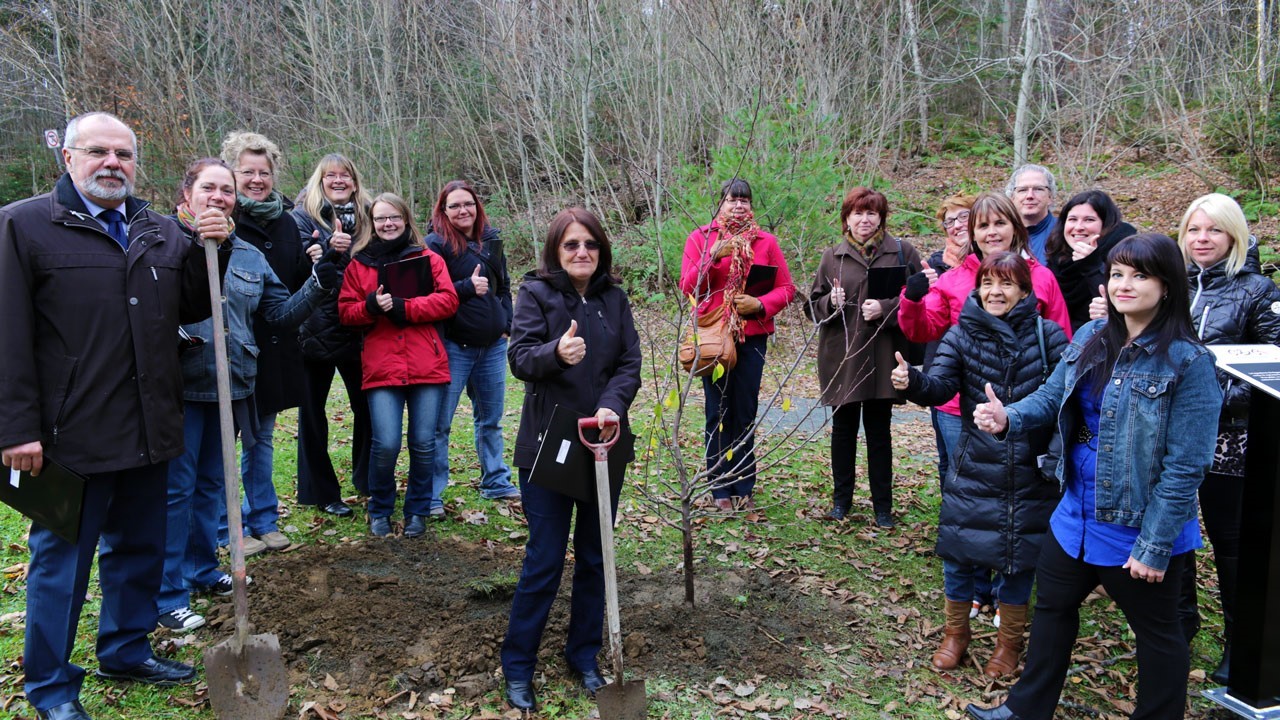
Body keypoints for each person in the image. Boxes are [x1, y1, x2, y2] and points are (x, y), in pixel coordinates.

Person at [0, 112, 226, 720]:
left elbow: (194, 305)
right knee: (61, 566)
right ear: (68, 158)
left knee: (140, 550)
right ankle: (50, 688)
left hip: (149, 424)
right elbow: (7, 334)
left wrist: (216, 247)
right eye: (98, 151)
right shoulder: (23, 226)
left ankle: (125, 650)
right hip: (65, 435)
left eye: (123, 155)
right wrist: (15, 429)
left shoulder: (156, 229)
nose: (112, 164)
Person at [966, 233, 1222, 720]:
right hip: (1075, 513)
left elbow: (1187, 466)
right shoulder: (1090, 337)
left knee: (1158, 634)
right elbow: (1050, 396)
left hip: (1138, 524)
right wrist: (1008, 417)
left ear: (1167, 285)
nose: (1124, 285)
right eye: (1118, 274)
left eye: (1140, 275)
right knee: (1052, 610)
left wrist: (1154, 545)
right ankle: (1026, 710)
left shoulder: (1189, 362)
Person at [158, 158, 329, 632]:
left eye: (227, 190)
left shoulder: (249, 253)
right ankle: (168, 592)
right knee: (177, 491)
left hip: (233, 387)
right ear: (187, 192)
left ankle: (201, 569)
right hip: (182, 389)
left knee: (214, 485)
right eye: (209, 188)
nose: (219, 197)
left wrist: (319, 284)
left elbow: (278, 315)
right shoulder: (162, 243)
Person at [892, 252, 1068, 676]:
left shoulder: (1049, 336)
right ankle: (956, 634)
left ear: (1025, 290)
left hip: (1028, 467)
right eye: (988, 283)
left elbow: (1063, 400)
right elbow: (942, 387)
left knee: (1018, 558)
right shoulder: (961, 334)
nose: (995, 292)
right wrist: (913, 381)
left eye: (1006, 284)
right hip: (974, 461)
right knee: (958, 552)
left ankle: (1008, 645)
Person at [501, 208, 642, 712]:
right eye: (571, 245)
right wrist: (556, 354)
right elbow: (520, 358)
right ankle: (518, 665)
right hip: (549, 443)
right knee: (543, 559)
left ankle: (583, 655)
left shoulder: (615, 299)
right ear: (556, 251)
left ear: (601, 250)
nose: (582, 252)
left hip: (604, 441)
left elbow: (630, 362)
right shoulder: (535, 294)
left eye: (590, 245)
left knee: (596, 554)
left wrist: (613, 404)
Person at [1174, 193, 1280, 683]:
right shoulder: (1173, 285)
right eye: (1194, 230)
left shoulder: (1259, 291)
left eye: (1213, 230)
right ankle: (1180, 623)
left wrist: (1208, 402)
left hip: (1230, 436)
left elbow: (1271, 365)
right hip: (1171, 430)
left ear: (1233, 235)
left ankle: (1241, 644)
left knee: (1230, 542)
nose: (1202, 239)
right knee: (1175, 529)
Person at [338, 193, 458, 537]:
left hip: (426, 363)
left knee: (423, 442)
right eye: (380, 219)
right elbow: (345, 311)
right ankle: (380, 510)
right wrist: (370, 307)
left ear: (406, 220)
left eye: (394, 218)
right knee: (386, 443)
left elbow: (448, 301)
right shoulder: (359, 264)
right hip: (381, 366)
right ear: (371, 224)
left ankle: (417, 511)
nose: (387, 224)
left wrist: (406, 308)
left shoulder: (429, 258)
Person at [219, 130, 316, 553]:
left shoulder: (287, 222)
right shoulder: (219, 218)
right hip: (230, 347)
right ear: (231, 173)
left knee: (261, 439)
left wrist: (314, 265)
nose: (257, 179)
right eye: (248, 171)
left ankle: (263, 518)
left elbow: (290, 289)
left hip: (274, 348)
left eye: (265, 172)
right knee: (223, 443)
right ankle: (227, 528)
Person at [805, 187, 923, 527]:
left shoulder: (902, 252)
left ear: (881, 217)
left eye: (871, 213)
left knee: (878, 432)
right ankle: (841, 502)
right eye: (857, 213)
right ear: (846, 219)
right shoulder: (833, 257)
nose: (865, 219)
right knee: (843, 431)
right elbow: (812, 307)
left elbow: (921, 297)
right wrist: (831, 302)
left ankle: (882, 508)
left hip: (884, 357)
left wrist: (886, 307)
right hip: (842, 357)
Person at [677, 179, 796, 511]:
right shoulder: (700, 239)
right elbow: (688, 286)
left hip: (752, 338)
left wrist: (759, 305)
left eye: (745, 200)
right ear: (720, 204)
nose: (739, 206)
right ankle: (718, 487)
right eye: (732, 200)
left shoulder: (765, 241)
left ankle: (744, 483)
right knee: (717, 411)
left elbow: (787, 289)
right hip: (714, 337)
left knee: (744, 412)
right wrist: (713, 257)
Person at [425, 180, 519, 517]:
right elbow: (431, 294)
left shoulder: (491, 240)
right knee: (440, 424)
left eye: (468, 204)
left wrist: (506, 321)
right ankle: (433, 492)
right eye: (454, 206)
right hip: (453, 347)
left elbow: (503, 286)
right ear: (443, 210)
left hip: (492, 347)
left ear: (477, 207)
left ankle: (495, 480)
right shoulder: (434, 246)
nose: (463, 211)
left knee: (491, 419)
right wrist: (466, 287)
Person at [293, 154, 373, 517]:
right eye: (330, 176)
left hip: (360, 327)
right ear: (319, 181)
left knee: (368, 409)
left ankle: (369, 481)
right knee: (312, 414)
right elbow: (294, 269)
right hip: (314, 328)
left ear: (355, 182)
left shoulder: (372, 217)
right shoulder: (300, 217)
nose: (338, 181)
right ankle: (321, 491)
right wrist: (324, 252)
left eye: (345, 175)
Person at [1044, 190, 1137, 332]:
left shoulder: (1126, 257)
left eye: (1089, 220)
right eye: (1073, 219)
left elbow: (1112, 302)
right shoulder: (1056, 259)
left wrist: (1091, 264)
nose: (1079, 227)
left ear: (1106, 224)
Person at [1004, 164, 1057, 265]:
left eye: (1038, 189)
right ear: (1012, 197)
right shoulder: (1000, 235)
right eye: (1023, 190)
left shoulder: (1064, 232)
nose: (1030, 196)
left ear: (1050, 196)